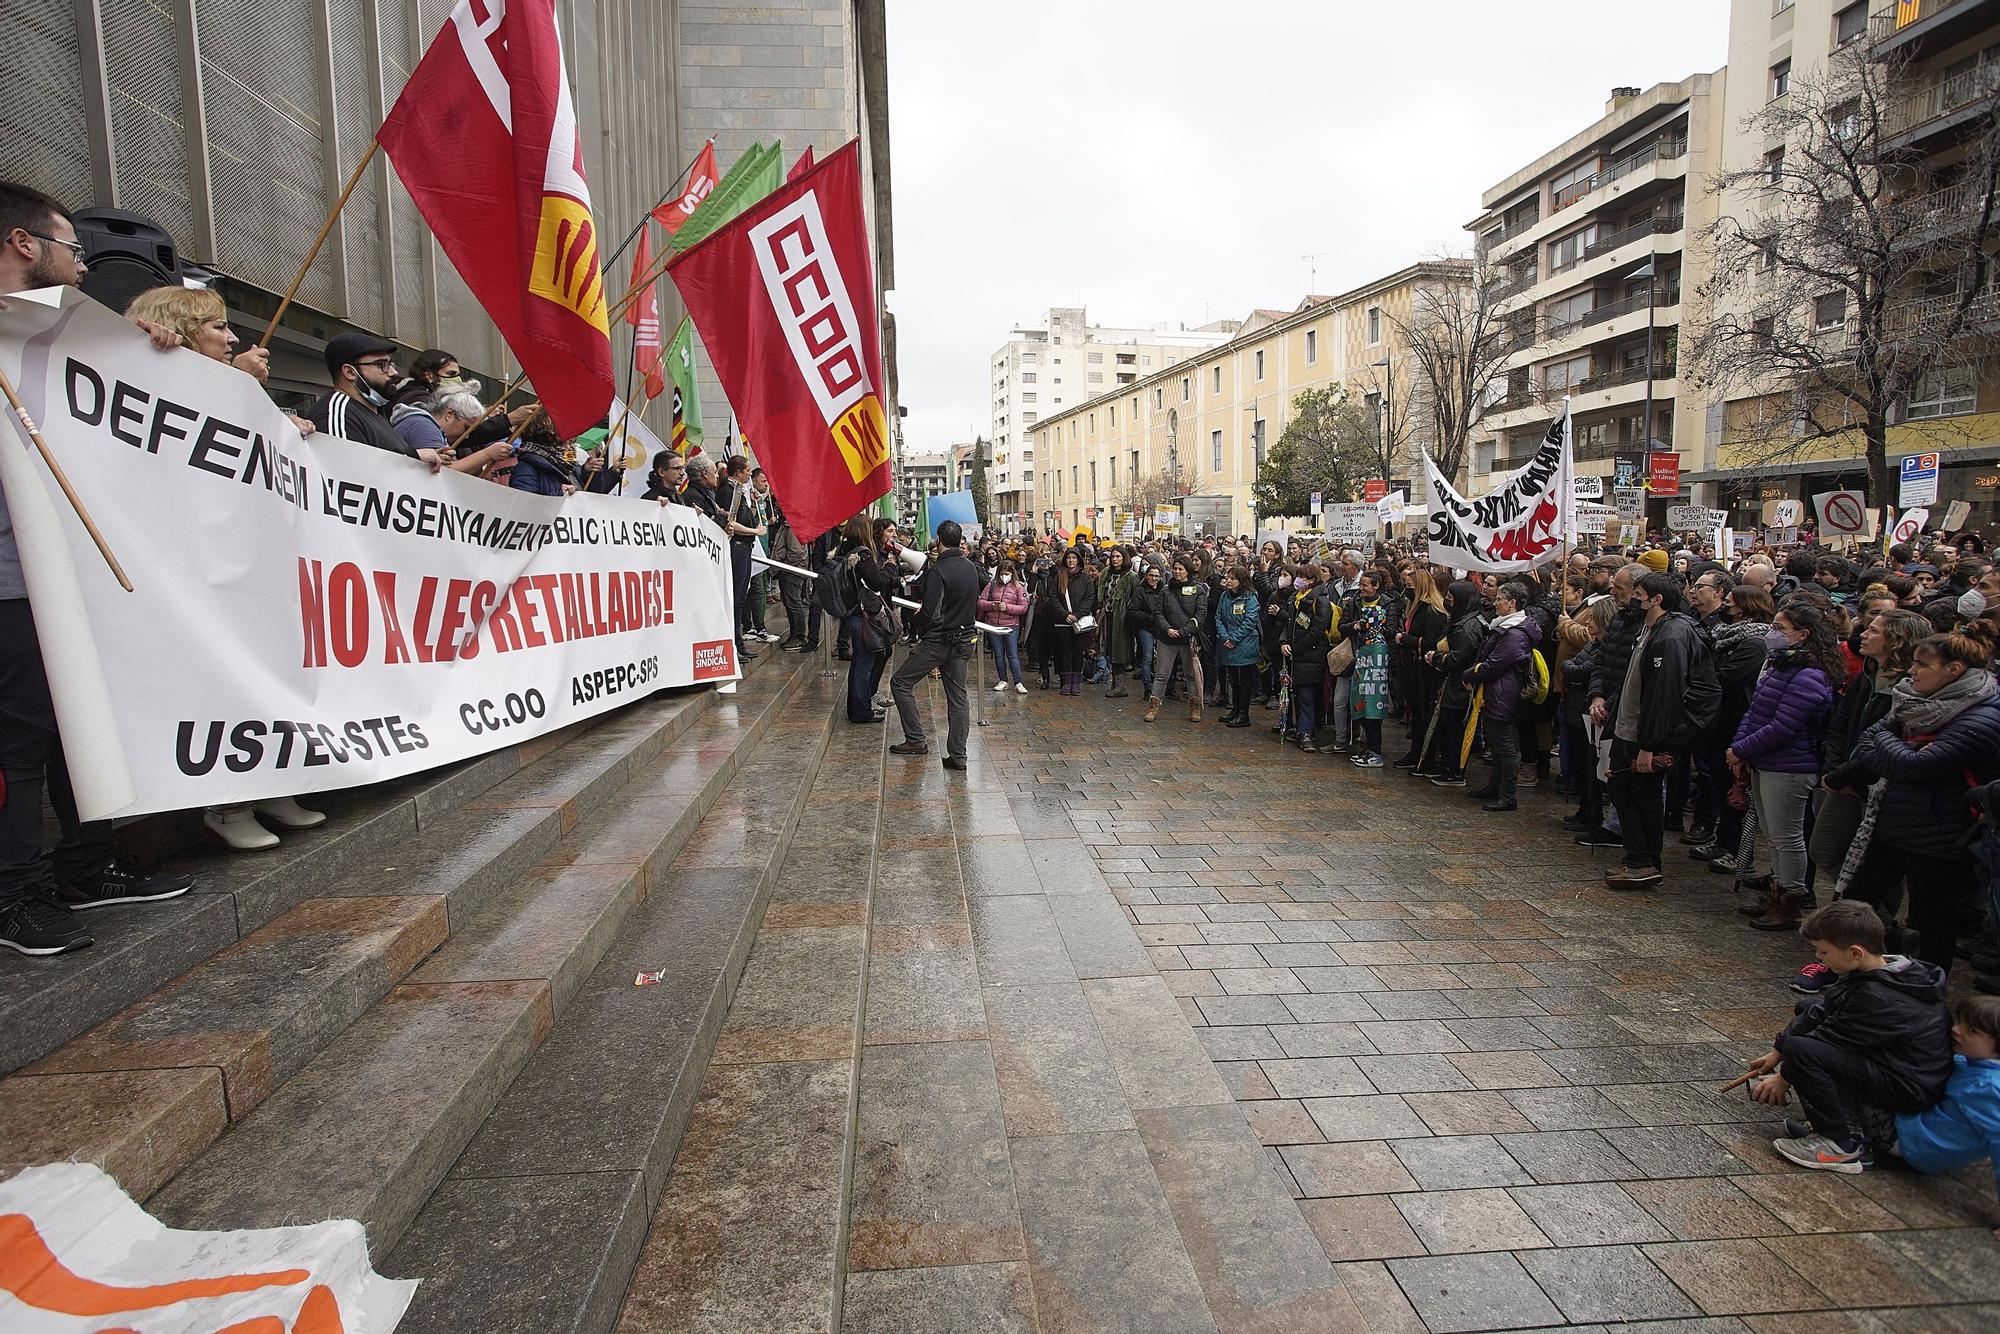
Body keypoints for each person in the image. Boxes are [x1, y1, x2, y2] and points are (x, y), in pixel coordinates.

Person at [0, 181, 192, 955]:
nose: (82, 268)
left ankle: (86, 863)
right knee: (18, 741)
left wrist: (147, 356)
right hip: (11, 582)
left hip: (62, 577)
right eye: (70, 247)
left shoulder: (54, 334)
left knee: (71, 725)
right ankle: (14, 894)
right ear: (23, 244)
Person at [124, 285, 329, 853]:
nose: (232, 336)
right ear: (181, 329)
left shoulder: (232, 386)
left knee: (267, 667)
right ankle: (225, 801)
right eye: (217, 327)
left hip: (245, 559)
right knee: (217, 675)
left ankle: (268, 782)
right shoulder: (156, 376)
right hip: (189, 560)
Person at [1825, 621, 2000, 974]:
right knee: (1857, 900)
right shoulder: (1913, 700)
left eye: (1922, 665)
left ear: (1954, 670)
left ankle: (1926, 987)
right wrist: (1892, 743)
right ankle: (1843, 969)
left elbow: (1913, 766)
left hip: (1940, 835)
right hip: (1895, 822)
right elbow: (1871, 738)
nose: (1912, 671)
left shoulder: (1982, 716)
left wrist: (1890, 743)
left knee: (1933, 918)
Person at [1745, 902, 1953, 1174]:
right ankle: (1846, 1124)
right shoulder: (1879, 971)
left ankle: (1841, 1143)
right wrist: (1777, 1051)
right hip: (1891, 1067)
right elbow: (1822, 1010)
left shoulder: (1878, 998)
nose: (1819, 958)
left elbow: (1827, 1039)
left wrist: (1784, 1077)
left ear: (1855, 952)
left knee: (1804, 1051)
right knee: (1806, 1014)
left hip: (1907, 1086)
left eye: (1824, 951)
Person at [1727, 601, 1841, 931]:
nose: (1772, 633)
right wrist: (1739, 746)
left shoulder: (1810, 675)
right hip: (1765, 760)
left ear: (1803, 635)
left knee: (1786, 835)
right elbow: (1755, 712)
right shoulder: (1780, 666)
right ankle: (1777, 891)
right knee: (1773, 835)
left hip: (1790, 765)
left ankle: (1789, 899)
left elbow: (1784, 726)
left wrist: (1742, 749)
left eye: (1780, 628)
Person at [1603, 571, 1719, 888]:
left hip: (1644, 737)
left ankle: (1643, 862)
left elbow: (1663, 696)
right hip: (1629, 730)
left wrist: (1649, 745)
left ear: (1657, 600)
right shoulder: (1650, 630)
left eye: (1638, 594)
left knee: (1643, 797)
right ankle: (1636, 857)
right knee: (1623, 793)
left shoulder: (1671, 637)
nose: (1632, 599)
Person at [889, 520, 979, 771]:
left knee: (900, 682)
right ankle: (958, 756)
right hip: (964, 639)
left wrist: (915, 623)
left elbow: (929, 611)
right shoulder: (970, 567)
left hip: (939, 640)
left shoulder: (939, 571)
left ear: (939, 540)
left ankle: (916, 739)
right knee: (958, 697)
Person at [1893, 994, 2000, 1199]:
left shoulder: (1988, 1087)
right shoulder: (1976, 1064)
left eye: (1972, 1031)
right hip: (1921, 1134)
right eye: (1960, 1021)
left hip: (1917, 1143)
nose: (1956, 1030)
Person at [1461, 581, 1540, 811]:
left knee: (1504, 745)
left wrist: (1470, 673)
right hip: (1495, 691)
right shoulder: (1506, 627)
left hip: (1503, 693)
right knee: (1496, 744)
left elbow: (1496, 663)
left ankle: (1508, 794)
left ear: (1512, 603)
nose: (1495, 604)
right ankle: (1495, 786)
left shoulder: (1515, 633)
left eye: (1499, 600)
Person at [307, 332, 440, 466]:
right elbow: (345, 471)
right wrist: (413, 457)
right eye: (382, 365)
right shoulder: (336, 412)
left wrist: (423, 460)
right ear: (350, 372)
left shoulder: (375, 411)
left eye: (391, 364)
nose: (393, 372)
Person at [830, 516, 898, 725]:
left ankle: (857, 708)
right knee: (863, 663)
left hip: (850, 610)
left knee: (860, 662)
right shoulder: (862, 554)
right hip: (861, 614)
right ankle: (861, 712)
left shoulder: (842, 550)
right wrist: (889, 566)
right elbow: (876, 583)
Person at [1143, 556, 1210, 724]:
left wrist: (1184, 631)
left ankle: (1195, 706)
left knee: (1191, 674)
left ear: (1188, 570)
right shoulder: (1166, 590)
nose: (1177, 572)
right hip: (1167, 638)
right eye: (1175, 568)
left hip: (1187, 639)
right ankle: (1153, 707)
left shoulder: (1198, 590)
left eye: (1180, 569)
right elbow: (1158, 613)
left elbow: (1200, 614)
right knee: (1161, 674)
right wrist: (1167, 629)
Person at [1394, 566, 1449, 769]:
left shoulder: (1432, 611)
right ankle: (1416, 752)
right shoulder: (1414, 607)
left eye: (1410, 586)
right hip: (1411, 667)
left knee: (1423, 714)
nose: (1407, 590)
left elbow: (1431, 642)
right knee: (1416, 714)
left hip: (1424, 672)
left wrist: (1405, 639)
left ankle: (1425, 755)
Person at [1278, 564, 1337, 752]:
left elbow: (1317, 630)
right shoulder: (1295, 598)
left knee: (1307, 696)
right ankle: (1300, 728)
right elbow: (1289, 623)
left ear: (1311, 580)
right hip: (1297, 655)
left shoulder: (1319, 600)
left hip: (1311, 655)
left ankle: (1306, 732)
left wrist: (1296, 648)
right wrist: (1284, 642)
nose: (1298, 581)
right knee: (1298, 694)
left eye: (1303, 577)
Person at [1340, 570, 1396, 768]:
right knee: (1360, 704)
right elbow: (1342, 625)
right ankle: (1367, 749)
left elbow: (1391, 630)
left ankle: (1375, 751)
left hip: (1378, 662)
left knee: (1374, 706)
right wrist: (1354, 626)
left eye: (1365, 585)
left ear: (1376, 586)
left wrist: (1371, 626)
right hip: (1359, 659)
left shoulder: (1388, 603)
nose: (1361, 589)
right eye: (1361, 585)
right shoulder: (1354, 602)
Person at [1213, 564, 1261, 728]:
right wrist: (1226, 637)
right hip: (1227, 643)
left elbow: (1249, 622)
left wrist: (1234, 639)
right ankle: (1235, 709)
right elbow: (1218, 617)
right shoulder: (1225, 596)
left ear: (1242, 581)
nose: (1229, 581)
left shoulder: (1250, 597)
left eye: (1233, 578)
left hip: (1245, 644)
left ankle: (1243, 713)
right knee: (1233, 678)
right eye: (1228, 577)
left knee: (1244, 680)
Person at [978, 558, 1029, 693]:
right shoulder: (992, 584)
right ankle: (1003, 679)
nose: (1004, 576)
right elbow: (981, 601)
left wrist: (1007, 607)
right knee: (999, 654)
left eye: (1007, 573)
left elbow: (1023, 607)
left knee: (1012, 654)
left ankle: (1018, 681)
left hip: (1011, 625)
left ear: (1012, 573)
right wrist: (992, 605)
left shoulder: (1018, 587)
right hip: (993, 625)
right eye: (1002, 573)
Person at [1050, 547, 1097, 696]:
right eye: (1069, 558)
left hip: (1079, 622)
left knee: (1078, 652)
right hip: (1062, 622)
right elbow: (1053, 598)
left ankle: (1076, 682)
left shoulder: (1085, 578)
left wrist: (1077, 614)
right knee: (1064, 652)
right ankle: (1066, 682)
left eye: (1074, 558)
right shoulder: (1058, 577)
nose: (1071, 560)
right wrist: (1065, 614)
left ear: (1078, 560)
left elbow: (1089, 599)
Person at [1098, 547, 1139, 699]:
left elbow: (1136, 598)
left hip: (1121, 618)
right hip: (1107, 615)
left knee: (1119, 650)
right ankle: (1116, 683)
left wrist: (1129, 613)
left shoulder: (1131, 576)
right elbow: (1103, 594)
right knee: (1109, 648)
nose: (1115, 559)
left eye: (1118, 557)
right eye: (1113, 557)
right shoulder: (1106, 573)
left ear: (1124, 558)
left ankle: (1121, 685)